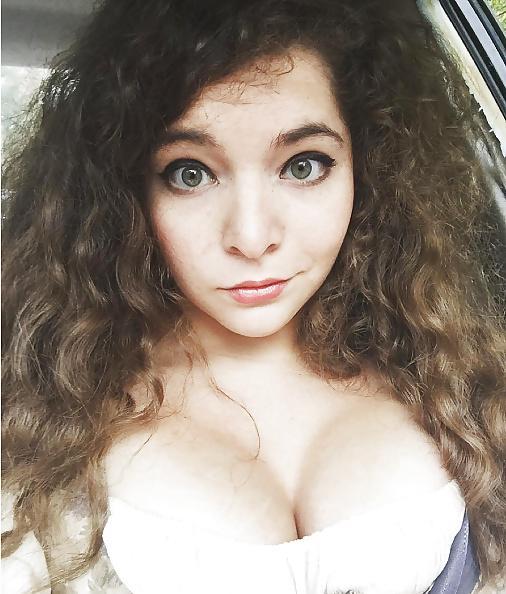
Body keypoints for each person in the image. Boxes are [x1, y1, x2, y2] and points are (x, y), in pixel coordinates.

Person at [2, 0, 505, 592]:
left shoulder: (457, 370)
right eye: (190, 173)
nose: (251, 236)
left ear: (368, 167)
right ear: (124, 191)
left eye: (303, 166)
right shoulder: (42, 412)